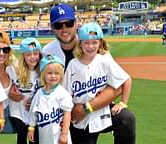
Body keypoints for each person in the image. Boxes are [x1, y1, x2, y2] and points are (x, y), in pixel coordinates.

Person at [42, 3, 135, 144]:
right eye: (58, 25)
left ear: (76, 23)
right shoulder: (47, 51)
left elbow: (119, 85)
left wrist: (88, 107)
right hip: (68, 112)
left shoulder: (91, 44)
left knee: (126, 119)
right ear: (52, 27)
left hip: (98, 106)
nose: (64, 29)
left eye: (68, 23)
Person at [63, 22, 132, 144]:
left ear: (100, 42)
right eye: (86, 42)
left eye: (95, 42)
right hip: (80, 119)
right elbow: (67, 94)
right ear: (80, 44)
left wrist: (123, 103)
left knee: (127, 119)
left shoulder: (104, 60)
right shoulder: (73, 65)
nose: (90, 46)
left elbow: (126, 80)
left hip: (102, 111)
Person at [28, 55, 73, 144]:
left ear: (61, 75)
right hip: (44, 136)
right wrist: (31, 128)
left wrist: (64, 134)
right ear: (43, 75)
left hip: (59, 136)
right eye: (49, 73)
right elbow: (33, 112)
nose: (53, 76)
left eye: (57, 73)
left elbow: (67, 114)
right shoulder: (39, 93)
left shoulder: (62, 93)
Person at [10, 37, 41, 144]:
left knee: (35, 139)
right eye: (28, 54)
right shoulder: (15, 69)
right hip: (18, 110)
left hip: (35, 111)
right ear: (23, 56)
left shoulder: (43, 71)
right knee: (22, 135)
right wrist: (10, 90)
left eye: (35, 53)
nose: (32, 57)